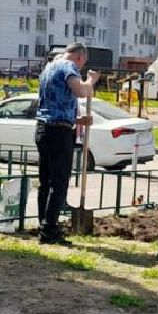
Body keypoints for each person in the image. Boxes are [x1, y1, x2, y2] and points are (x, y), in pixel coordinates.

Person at [33, 42, 99, 245]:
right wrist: (91, 81)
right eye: (82, 64)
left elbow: (53, 103)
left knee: (45, 181)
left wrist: (77, 120)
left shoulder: (48, 68)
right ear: (79, 57)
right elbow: (80, 91)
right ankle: (49, 231)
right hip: (59, 133)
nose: (80, 67)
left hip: (43, 129)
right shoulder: (69, 66)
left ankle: (43, 224)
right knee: (59, 182)